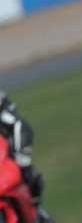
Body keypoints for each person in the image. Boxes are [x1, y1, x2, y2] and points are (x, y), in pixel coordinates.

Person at [0, 91, 53, 222]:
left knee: (29, 175)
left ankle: (38, 214)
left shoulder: (6, 115)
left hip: (6, 162)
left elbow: (20, 126)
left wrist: (21, 161)